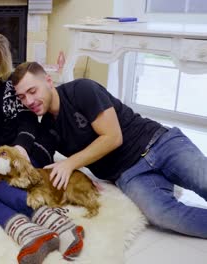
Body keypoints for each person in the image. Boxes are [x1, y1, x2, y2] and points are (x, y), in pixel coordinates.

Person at [11, 61, 207, 239]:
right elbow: (41, 160)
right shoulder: (46, 126)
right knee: (162, 215)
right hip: (129, 174)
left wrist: (70, 163)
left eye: (32, 91)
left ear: (48, 81)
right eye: (22, 97)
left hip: (160, 143)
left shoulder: (81, 90)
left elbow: (113, 137)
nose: (28, 101)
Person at [0, 31, 85, 263]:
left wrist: (21, 148)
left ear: (1, 62)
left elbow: (28, 119)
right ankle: (31, 234)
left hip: (28, 149)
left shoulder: (8, 85)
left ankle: (62, 225)